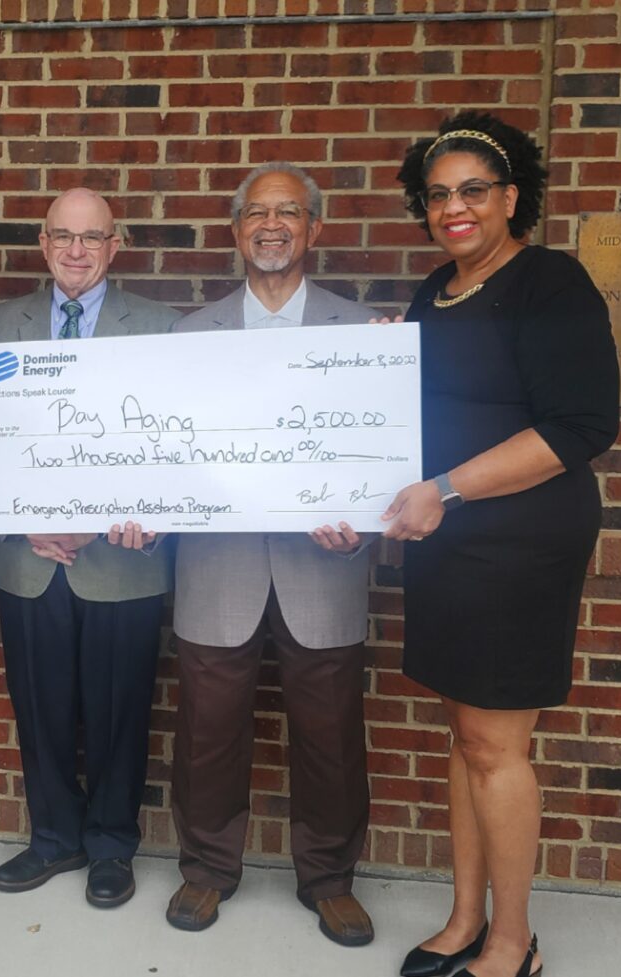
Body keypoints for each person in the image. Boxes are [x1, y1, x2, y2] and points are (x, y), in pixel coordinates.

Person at [384, 112, 619, 977]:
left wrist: (444, 488)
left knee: (497, 743)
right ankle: (464, 917)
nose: (454, 207)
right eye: (439, 194)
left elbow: (579, 426)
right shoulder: (431, 292)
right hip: (444, 539)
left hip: (519, 541)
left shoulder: (550, 283)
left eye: (473, 190)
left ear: (511, 196)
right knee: (464, 734)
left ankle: (514, 941)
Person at [165, 162, 378, 947]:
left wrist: (367, 520)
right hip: (217, 566)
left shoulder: (363, 334)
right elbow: (171, 456)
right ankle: (206, 869)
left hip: (324, 566)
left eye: (289, 211)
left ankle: (329, 879)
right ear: (236, 231)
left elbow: (381, 454)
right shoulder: (190, 337)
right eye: (257, 212)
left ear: (314, 229)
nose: (272, 224)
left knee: (329, 735)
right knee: (208, 731)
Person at [0, 188, 177, 909]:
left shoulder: (160, 327)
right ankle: (54, 836)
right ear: (42, 240)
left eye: (92, 237)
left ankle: (112, 846)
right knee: (40, 704)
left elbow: (176, 440)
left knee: (122, 709)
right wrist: (11, 515)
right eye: (63, 235)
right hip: (29, 557)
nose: (77, 250)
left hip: (122, 558)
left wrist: (116, 514)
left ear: (116, 245)